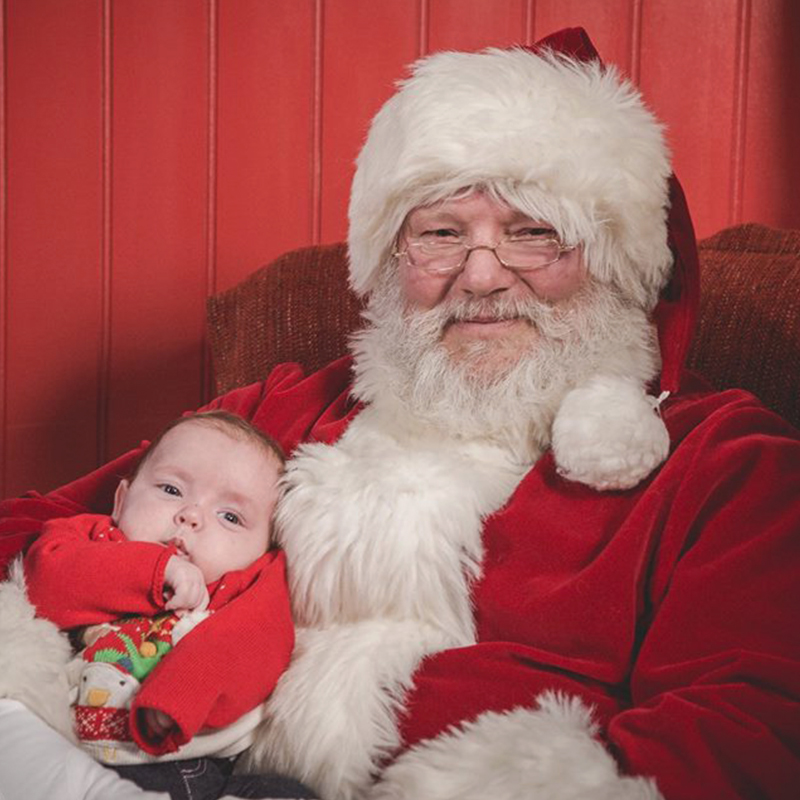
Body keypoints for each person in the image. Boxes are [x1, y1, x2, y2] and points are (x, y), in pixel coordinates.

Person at [1, 25, 799, 800]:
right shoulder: (290, 409)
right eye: (442, 234)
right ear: (394, 260)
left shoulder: (725, 463)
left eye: (535, 234)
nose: (481, 275)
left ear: (617, 263)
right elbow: (38, 529)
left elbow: (747, 732)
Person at [2, 411, 312, 799]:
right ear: (120, 501)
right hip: (67, 749)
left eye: (230, 516)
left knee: (286, 792)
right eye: (170, 490)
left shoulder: (248, 582)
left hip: (186, 759)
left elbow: (253, 642)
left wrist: (178, 697)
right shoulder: (95, 539)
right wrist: (155, 570)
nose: (191, 515)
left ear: (265, 549)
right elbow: (44, 582)